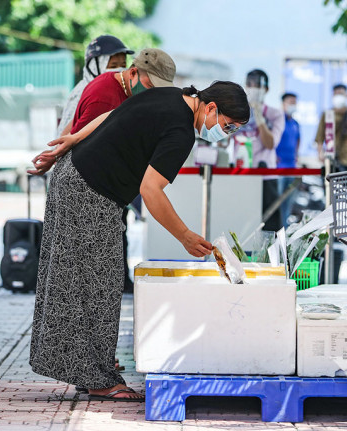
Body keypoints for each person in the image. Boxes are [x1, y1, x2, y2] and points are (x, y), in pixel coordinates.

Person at [28, 81, 249, 401]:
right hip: (90, 193)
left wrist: (72, 140)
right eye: (227, 126)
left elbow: (113, 116)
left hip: (75, 174)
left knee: (80, 283)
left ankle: (87, 372)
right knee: (98, 286)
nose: (224, 134)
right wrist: (185, 236)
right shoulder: (182, 132)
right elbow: (150, 190)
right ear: (211, 108)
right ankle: (98, 379)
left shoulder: (172, 95)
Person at [36, 48, 177, 295]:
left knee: (98, 279)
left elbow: (75, 128)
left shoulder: (122, 90)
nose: (152, 92)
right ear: (133, 72)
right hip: (85, 190)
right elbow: (86, 142)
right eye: (150, 84)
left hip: (102, 190)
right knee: (80, 279)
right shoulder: (106, 95)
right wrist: (56, 155)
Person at [234, 69, 285, 231]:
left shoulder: (275, 114)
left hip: (266, 177)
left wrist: (259, 115)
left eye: (257, 85)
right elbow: (222, 140)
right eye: (249, 84)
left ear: (266, 89)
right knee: (239, 225)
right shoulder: (236, 113)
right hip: (240, 175)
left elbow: (270, 143)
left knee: (268, 228)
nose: (253, 88)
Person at [57, 35, 134, 137]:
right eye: (113, 66)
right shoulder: (81, 92)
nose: (119, 70)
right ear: (94, 66)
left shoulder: (122, 90)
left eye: (123, 65)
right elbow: (64, 137)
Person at [315, 84, 347, 172]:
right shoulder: (327, 114)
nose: (339, 97)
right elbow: (320, 136)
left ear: (346, 95)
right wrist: (320, 153)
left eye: (341, 94)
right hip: (332, 158)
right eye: (336, 94)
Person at [276, 92, 300, 226]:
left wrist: (296, 156)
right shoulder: (277, 121)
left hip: (292, 169)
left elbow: (298, 140)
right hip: (278, 170)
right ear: (283, 104)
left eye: (294, 102)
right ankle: (277, 231)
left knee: (288, 205)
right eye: (290, 102)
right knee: (277, 205)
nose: (293, 105)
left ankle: (284, 231)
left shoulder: (295, 123)